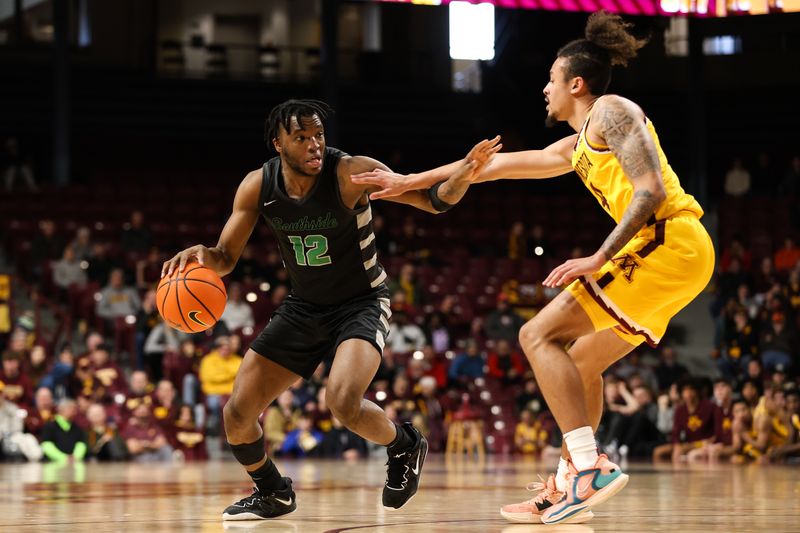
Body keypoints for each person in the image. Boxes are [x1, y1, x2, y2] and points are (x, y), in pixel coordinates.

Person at [352, 11, 714, 524]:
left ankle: (588, 468)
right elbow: (491, 168)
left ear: (577, 83)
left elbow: (651, 192)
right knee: (582, 362)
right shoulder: (575, 145)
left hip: (668, 243)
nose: (545, 88)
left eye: (551, 79)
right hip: (674, 256)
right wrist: (409, 180)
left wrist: (597, 257)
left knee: (537, 335)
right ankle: (572, 484)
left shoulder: (612, 110)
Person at [160, 99, 499, 520]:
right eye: (301, 138)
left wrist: (463, 173)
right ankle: (272, 491)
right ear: (277, 144)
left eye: (318, 135)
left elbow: (433, 201)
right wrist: (202, 257)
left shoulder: (351, 173)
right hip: (304, 307)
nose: (314, 145)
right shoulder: (257, 186)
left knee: (342, 401)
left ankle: (404, 444)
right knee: (238, 413)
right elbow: (225, 257)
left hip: (362, 302)